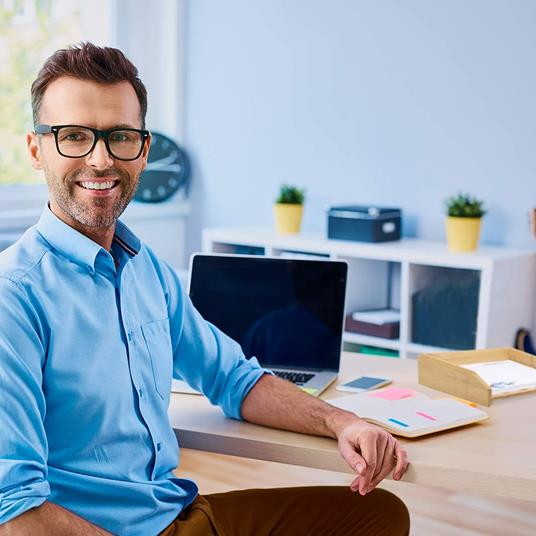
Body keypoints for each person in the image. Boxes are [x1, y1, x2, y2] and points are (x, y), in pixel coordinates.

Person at [0, 43, 410, 536]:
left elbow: (234, 379)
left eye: (121, 137)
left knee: (378, 515)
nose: (101, 158)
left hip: (176, 514)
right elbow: (15, 512)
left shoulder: (143, 268)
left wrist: (342, 422)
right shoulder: (13, 297)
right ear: (36, 149)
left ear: (144, 150)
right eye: (74, 137)